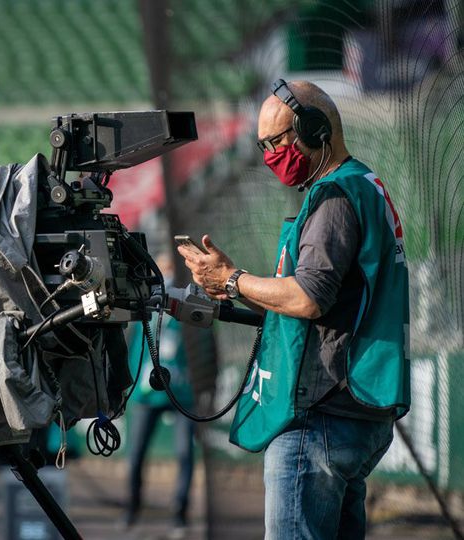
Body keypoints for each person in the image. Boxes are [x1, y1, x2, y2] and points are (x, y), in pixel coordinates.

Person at [176, 80, 410, 539]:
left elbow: (308, 297)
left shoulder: (334, 196)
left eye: (277, 141)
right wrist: (239, 286)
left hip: (321, 416)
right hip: (354, 414)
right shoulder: (365, 185)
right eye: (262, 145)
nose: (269, 156)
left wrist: (232, 280)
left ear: (316, 128)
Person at [124, 255, 195, 535]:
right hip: (147, 395)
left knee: (184, 454)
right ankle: (132, 508)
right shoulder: (147, 309)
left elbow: (205, 352)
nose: (166, 276)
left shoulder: (189, 308)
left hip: (182, 395)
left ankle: (180, 513)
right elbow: (133, 351)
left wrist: (205, 387)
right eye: (162, 269)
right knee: (136, 455)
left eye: (170, 270)